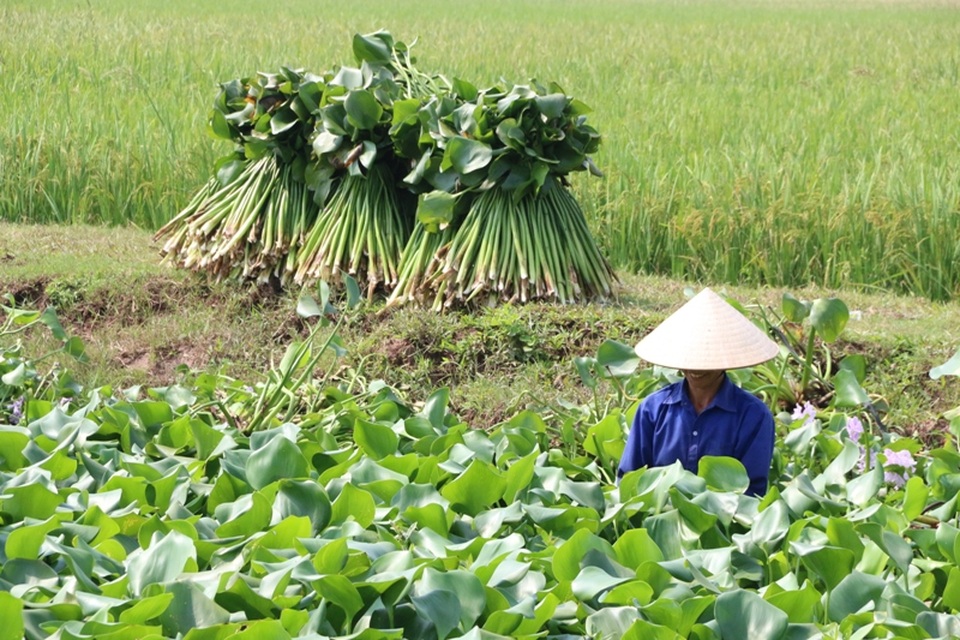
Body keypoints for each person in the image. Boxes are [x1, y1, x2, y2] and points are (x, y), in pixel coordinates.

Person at [617, 287, 779, 496]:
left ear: (725, 358)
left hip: (728, 516)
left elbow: (752, 493)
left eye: (706, 359)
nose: (696, 368)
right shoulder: (652, 410)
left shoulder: (754, 416)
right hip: (657, 512)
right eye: (691, 357)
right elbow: (629, 480)